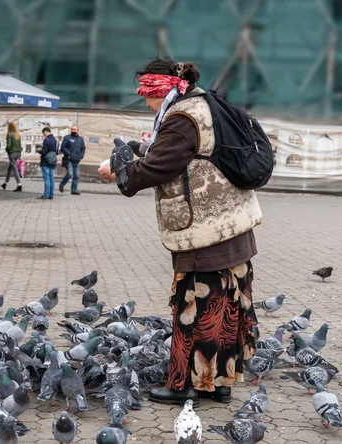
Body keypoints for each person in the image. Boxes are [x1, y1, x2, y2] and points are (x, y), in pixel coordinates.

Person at [98, 59, 261, 406]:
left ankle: (185, 385)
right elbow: (182, 153)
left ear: (161, 89)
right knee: (228, 310)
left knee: (195, 310)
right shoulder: (202, 105)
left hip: (206, 234)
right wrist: (137, 149)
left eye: (147, 94)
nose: (145, 102)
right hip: (233, 229)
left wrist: (120, 171)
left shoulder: (182, 117)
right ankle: (218, 384)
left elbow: (159, 165)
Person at [59, 124, 86, 195]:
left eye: (74, 129)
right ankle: (62, 184)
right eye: (72, 129)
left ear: (77, 130)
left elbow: (83, 148)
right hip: (69, 159)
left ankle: (74, 190)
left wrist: (81, 156)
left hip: (77, 160)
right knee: (69, 174)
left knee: (76, 176)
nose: (73, 130)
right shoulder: (67, 138)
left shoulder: (80, 139)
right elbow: (63, 147)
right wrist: (70, 154)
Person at [37, 127, 58, 199]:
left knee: (47, 178)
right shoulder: (55, 140)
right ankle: (51, 194)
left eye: (43, 133)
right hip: (52, 161)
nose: (43, 135)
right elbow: (56, 151)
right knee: (51, 178)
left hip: (45, 161)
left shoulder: (46, 140)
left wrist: (39, 150)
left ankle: (46, 194)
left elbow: (44, 151)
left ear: (45, 132)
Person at [2, 122, 22, 192]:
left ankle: (19, 185)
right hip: (17, 154)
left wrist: (7, 150)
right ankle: (5, 183)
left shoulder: (9, 135)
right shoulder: (18, 135)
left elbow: (9, 145)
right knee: (10, 169)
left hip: (12, 153)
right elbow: (20, 146)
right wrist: (19, 154)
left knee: (15, 169)